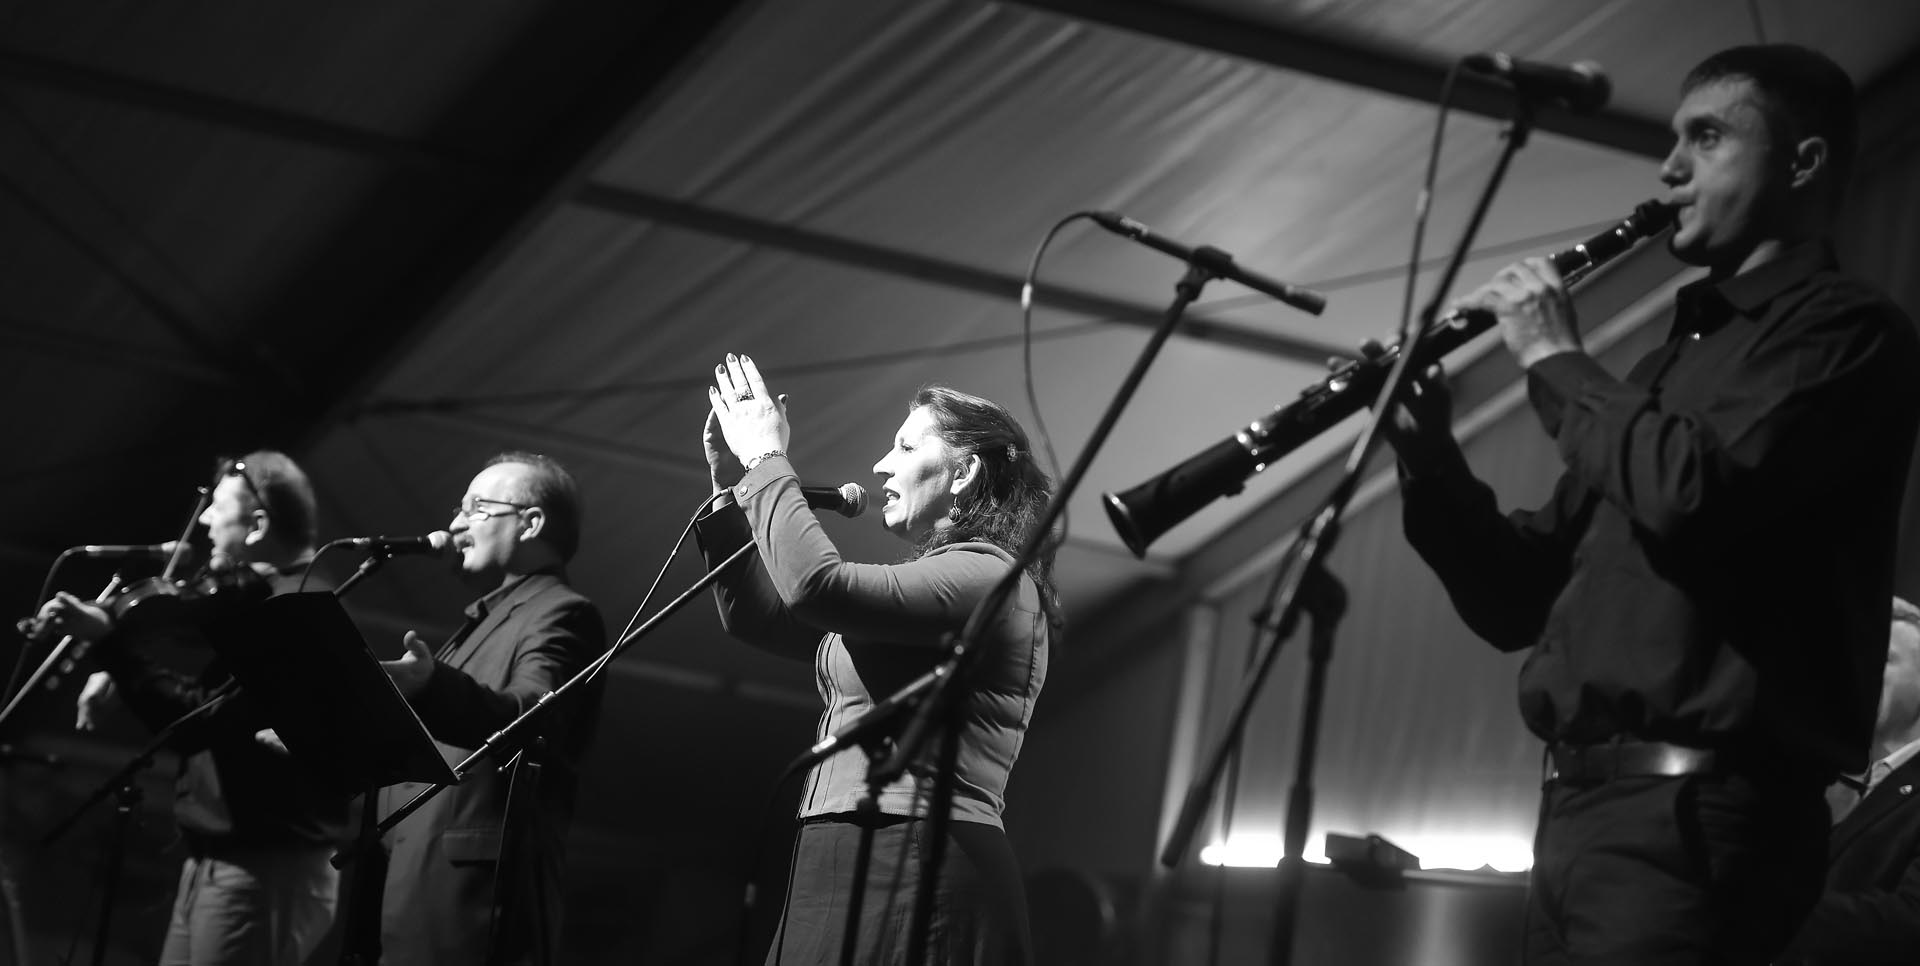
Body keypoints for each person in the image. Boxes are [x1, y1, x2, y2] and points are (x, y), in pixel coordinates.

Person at [1382, 44, 1920, 964]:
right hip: (1574, 819)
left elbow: (1692, 493)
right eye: (1674, 140)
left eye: (1705, 138)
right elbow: (1516, 599)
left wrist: (1555, 358)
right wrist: (1430, 459)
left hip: (1699, 823)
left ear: (1802, 163)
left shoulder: (1847, 333)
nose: (1669, 168)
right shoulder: (1660, 369)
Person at [697, 354, 1060, 965]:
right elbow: (760, 616)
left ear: (965, 471)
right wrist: (730, 492)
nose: (880, 465)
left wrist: (766, 460)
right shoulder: (938, 584)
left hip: (917, 850)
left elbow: (816, 587)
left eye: (905, 447)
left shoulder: (988, 578)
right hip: (847, 844)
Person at [35, 451, 350, 965]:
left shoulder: (297, 610)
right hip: (218, 862)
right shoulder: (255, 596)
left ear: (257, 525)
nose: (203, 521)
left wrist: (112, 647)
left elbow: (199, 721)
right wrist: (117, 660)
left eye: (218, 508)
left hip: (266, 869)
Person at [374, 451, 606, 966]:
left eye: (476, 508)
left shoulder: (563, 613)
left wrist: (430, 685)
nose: (456, 524)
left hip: (472, 899)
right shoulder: (483, 621)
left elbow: (532, 716)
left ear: (531, 523)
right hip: (410, 880)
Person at [1777, 597, 1920, 965]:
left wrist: (1769, 916)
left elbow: (1911, 919)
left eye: (1883, 659)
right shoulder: (1817, 777)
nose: (1860, 674)